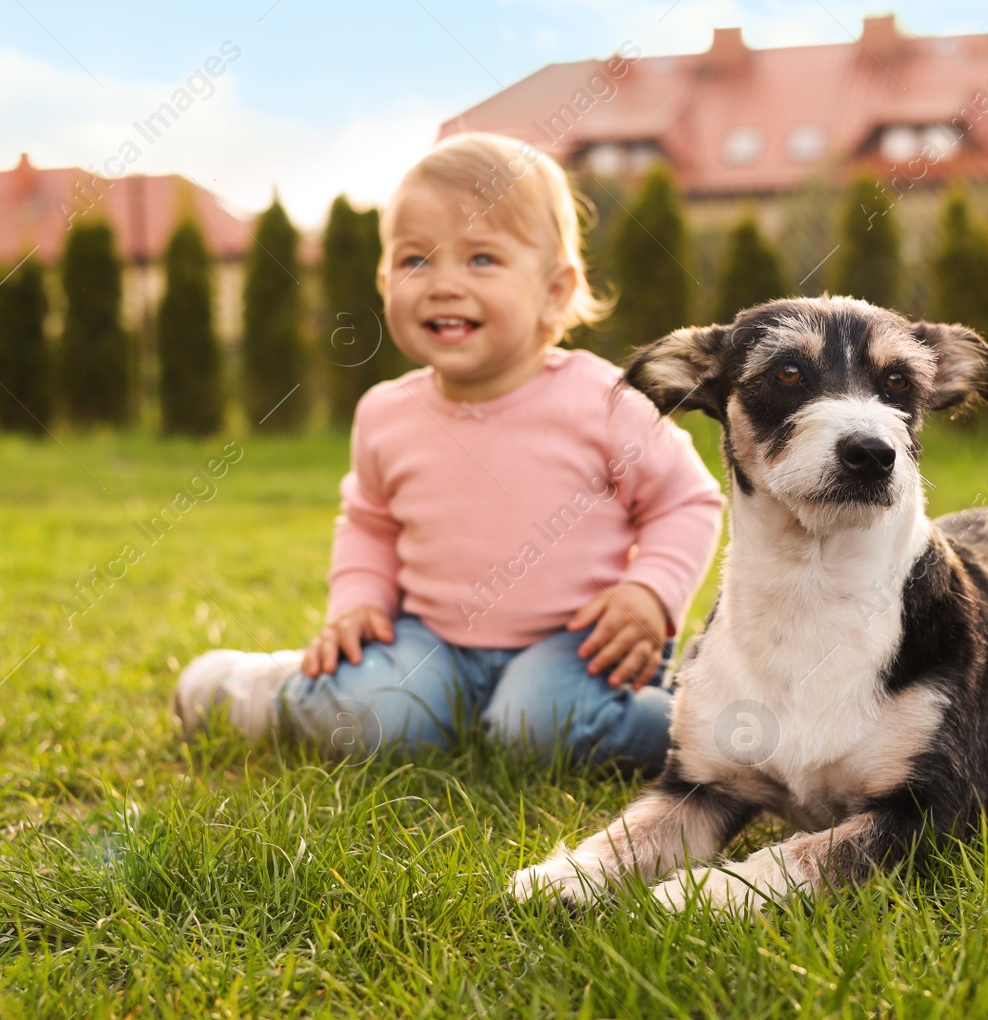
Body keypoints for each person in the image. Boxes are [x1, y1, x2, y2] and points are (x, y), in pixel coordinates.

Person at [174, 132, 723, 771]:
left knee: (537, 727)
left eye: (481, 259)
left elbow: (686, 499)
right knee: (383, 718)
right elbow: (369, 523)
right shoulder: (386, 413)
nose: (443, 284)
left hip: (577, 645)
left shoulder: (600, 398)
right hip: (429, 639)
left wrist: (648, 593)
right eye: (415, 261)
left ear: (553, 290)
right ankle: (258, 694)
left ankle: (712, 730)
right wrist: (357, 604)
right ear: (384, 281)